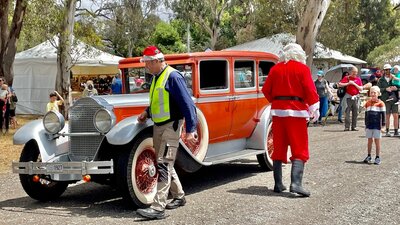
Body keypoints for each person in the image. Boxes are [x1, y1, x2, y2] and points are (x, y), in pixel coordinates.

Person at [136, 46, 197, 219]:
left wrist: (191, 130)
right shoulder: (157, 77)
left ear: (156, 61)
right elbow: (159, 101)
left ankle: (158, 207)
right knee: (165, 162)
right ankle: (179, 196)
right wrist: (146, 113)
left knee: (163, 163)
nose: (146, 66)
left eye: (147, 63)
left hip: (171, 126)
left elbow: (188, 105)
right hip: (159, 126)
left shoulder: (173, 76)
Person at [262, 43, 320, 197]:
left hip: (278, 112)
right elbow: (310, 90)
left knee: (279, 145)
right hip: (297, 112)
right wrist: (314, 109)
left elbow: (265, 90)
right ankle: (296, 184)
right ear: (299, 55)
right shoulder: (302, 69)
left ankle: (278, 183)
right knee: (299, 146)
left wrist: (275, 101)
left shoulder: (275, 69)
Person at [363, 86, 385, 165]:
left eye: (374, 93)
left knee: (377, 141)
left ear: (378, 94)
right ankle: (369, 156)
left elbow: (383, 116)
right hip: (369, 125)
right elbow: (366, 115)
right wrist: (366, 125)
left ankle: (377, 157)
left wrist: (383, 126)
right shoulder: (367, 103)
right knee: (369, 141)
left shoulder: (381, 103)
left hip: (377, 126)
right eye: (371, 92)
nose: (373, 94)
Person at [338, 66, 363, 131]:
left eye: (356, 72)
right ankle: (347, 126)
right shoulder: (347, 78)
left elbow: (361, 88)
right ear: (351, 72)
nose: (355, 73)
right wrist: (348, 83)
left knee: (355, 112)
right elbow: (340, 84)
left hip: (356, 97)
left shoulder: (358, 79)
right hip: (348, 97)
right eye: (354, 72)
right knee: (347, 112)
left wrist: (354, 84)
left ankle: (354, 126)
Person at [377, 64, 399, 137]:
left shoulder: (394, 77)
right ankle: (387, 131)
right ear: (384, 70)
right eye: (386, 69)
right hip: (385, 99)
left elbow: (398, 86)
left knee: (395, 115)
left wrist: (397, 88)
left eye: (389, 69)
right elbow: (378, 89)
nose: (388, 71)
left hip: (394, 99)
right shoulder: (380, 79)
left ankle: (396, 131)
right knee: (387, 116)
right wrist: (385, 89)